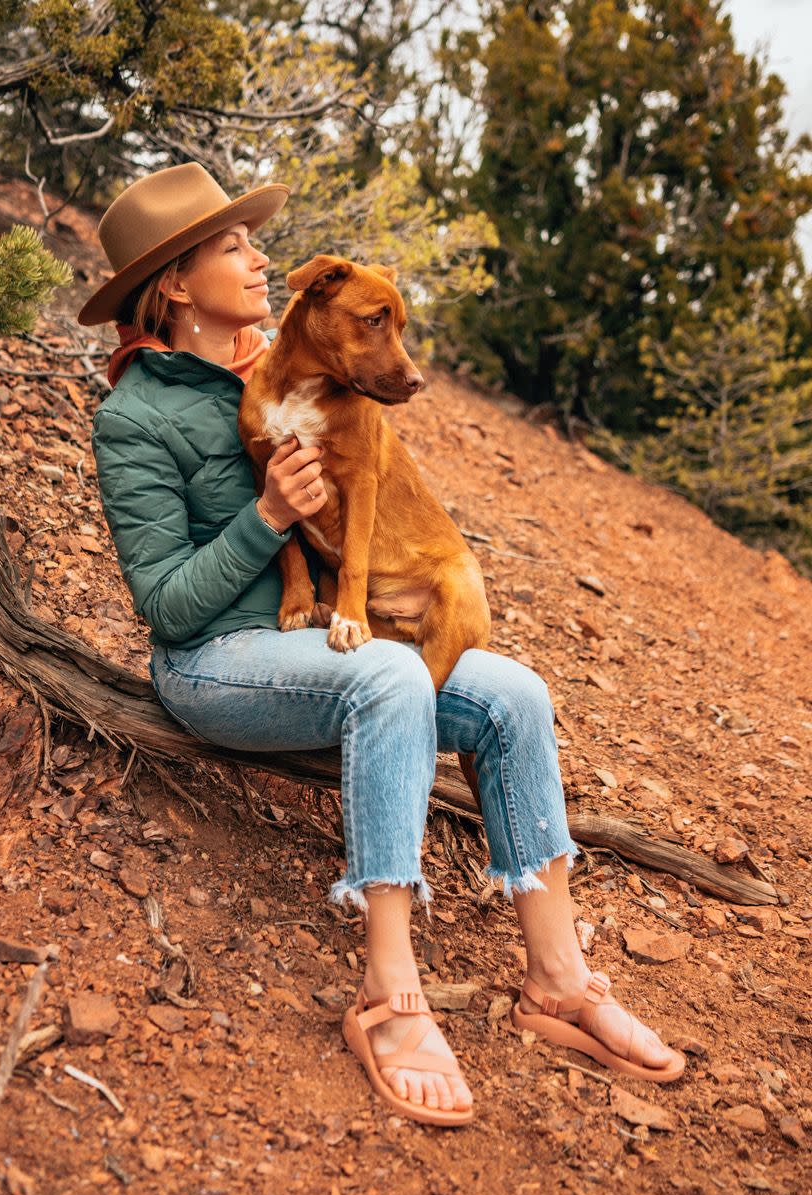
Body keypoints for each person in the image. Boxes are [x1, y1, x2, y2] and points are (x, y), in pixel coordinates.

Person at [78, 162, 685, 1126]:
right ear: (177, 285)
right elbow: (167, 605)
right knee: (391, 675)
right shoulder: (135, 416)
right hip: (217, 665)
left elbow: (370, 483)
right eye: (233, 245)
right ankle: (387, 993)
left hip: (327, 642)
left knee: (515, 695)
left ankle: (559, 981)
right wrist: (270, 515)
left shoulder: (294, 369)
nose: (260, 255)